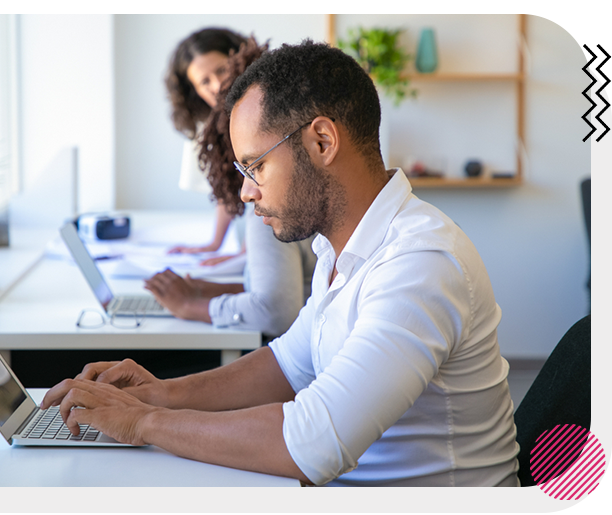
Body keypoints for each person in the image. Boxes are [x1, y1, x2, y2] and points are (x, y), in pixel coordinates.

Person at [41, 40, 520, 487]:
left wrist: (143, 422)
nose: (246, 192)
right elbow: (288, 364)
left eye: (256, 167)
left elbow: (313, 443)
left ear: (322, 143)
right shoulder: (342, 246)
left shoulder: (419, 263)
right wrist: (159, 393)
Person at [147, 36, 317, 339]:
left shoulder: (271, 193)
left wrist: (191, 304)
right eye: (204, 81)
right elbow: (291, 285)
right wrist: (203, 287)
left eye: (254, 166)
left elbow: (276, 309)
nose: (246, 193)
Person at [164, 27, 246, 266]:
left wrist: (245, 254)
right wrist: (214, 244)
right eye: (204, 81)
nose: (218, 84)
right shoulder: (212, 127)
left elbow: (274, 194)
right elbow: (228, 188)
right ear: (195, 91)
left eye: (222, 70)